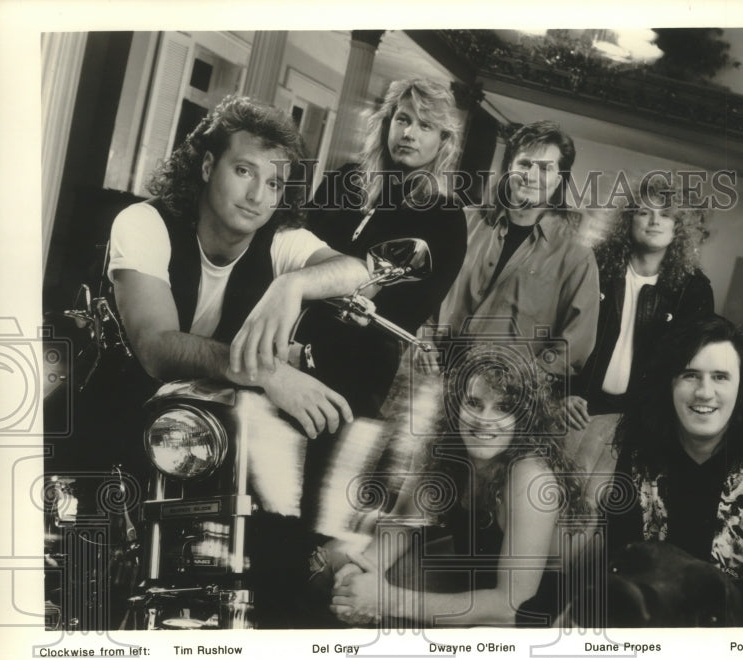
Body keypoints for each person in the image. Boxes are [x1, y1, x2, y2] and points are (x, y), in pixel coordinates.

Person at [108, 94, 371, 440]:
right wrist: (267, 372)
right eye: (244, 171)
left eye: (274, 183)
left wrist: (290, 285)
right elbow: (156, 348)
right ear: (207, 166)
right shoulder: (143, 222)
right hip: (113, 418)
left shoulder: (280, 239)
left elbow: (358, 273)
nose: (257, 196)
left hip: (199, 434)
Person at [328, 345, 589, 628]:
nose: (484, 419)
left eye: (503, 408)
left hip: (532, 613)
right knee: (334, 568)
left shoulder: (530, 478)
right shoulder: (447, 452)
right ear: (456, 407)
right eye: (474, 403)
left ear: (524, 419)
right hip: (474, 584)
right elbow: (402, 526)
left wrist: (389, 599)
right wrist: (361, 568)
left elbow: (512, 607)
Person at [608, 315, 743, 626]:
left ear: (742, 387)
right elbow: (619, 561)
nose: (704, 392)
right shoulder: (641, 450)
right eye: (690, 375)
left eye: (720, 377)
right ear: (669, 383)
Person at [304, 77, 468, 418]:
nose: (409, 133)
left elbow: (402, 310)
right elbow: (298, 245)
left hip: (356, 370)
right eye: (403, 119)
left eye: (425, 126)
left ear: (443, 141)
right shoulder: (344, 179)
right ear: (387, 123)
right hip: (287, 337)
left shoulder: (445, 217)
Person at [565, 181, 713, 510]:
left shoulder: (694, 289)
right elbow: (561, 331)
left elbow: (692, 368)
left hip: (636, 425)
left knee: (592, 513)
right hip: (579, 408)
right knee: (553, 497)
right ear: (628, 221)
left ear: (679, 227)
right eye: (644, 212)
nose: (654, 221)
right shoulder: (595, 267)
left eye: (666, 215)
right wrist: (565, 390)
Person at [433, 121, 599, 381]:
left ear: (560, 179)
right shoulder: (462, 222)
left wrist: (523, 383)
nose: (531, 176)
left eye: (545, 168)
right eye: (524, 164)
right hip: (432, 375)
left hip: (503, 397)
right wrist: (423, 342)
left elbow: (573, 345)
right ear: (509, 168)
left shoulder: (576, 255)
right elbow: (425, 287)